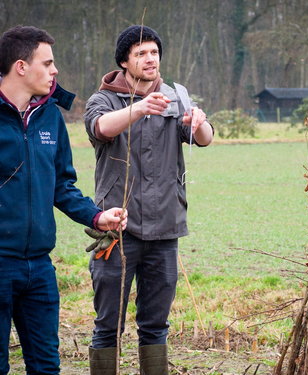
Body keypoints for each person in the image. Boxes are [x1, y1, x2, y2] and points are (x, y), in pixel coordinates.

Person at [84, 25, 214, 374]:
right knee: (107, 325)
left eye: (154, 52)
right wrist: (140, 108)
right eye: (141, 53)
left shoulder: (176, 96)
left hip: (165, 229)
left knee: (156, 325)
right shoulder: (104, 100)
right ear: (125, 61)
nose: (150, 58)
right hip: (117, 229)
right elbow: (100, 128)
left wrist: (198, 121)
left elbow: (204, 138)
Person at [0, 25, 127, 375]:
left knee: (46, 367)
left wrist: (97, 217)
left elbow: (62, 186)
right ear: (22, 66)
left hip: (39, 267)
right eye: (48, 62)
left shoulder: (51, 117)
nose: (55, 70)